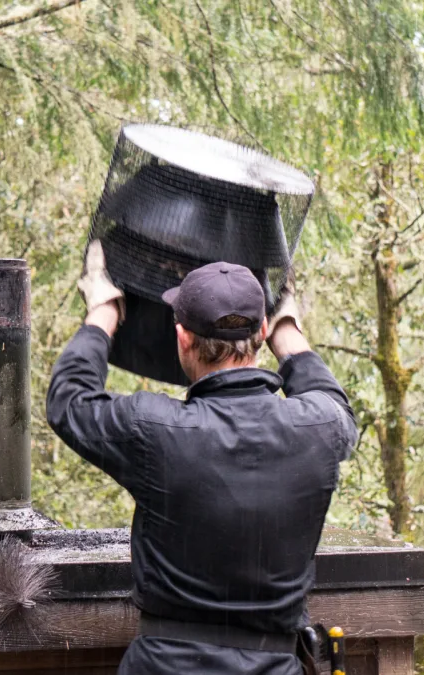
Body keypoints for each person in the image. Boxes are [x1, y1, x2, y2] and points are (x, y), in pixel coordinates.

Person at [46, 241, 358, 674]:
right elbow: (334, 403)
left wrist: (104, 311)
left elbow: (68, 401)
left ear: (182, 337)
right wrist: (289, 333)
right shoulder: (320, 427)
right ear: (261, 332)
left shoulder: (154, 429)